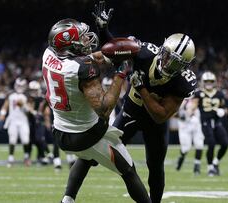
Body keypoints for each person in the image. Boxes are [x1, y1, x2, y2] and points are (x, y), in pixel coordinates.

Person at [66, 1, 198, 202]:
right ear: (162, 49)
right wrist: (103, 29)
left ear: (185, 66)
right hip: (130, 112)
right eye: (167, 56)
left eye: (175, 63)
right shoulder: (143, 52)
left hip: (155, 123)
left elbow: (160, 115)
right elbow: (112, 51)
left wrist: (142, 87)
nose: (167, 63)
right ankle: (68, 198)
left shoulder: (183, 81)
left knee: (155, 167)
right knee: (90, 151)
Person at [43, 18, 150, 202]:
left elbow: (87, 59)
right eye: (82, 39)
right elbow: (105, 109)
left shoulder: (49, 55)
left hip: (61, 130)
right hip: (87, 134)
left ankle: (67, 200)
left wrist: (113, 53)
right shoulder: (82, 68)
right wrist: (120, 73)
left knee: (86, 157)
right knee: (128, 170)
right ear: (69, 45)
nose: (87, 41)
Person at [193, 71, 228, 176]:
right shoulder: (199, 93)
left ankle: (215, 163)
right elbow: (193, 105)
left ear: (214, 82)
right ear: (203, 82)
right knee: (211, 144)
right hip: (205, 122)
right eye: (206, 81)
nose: (208, 83)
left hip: (217, 122)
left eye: (211, 81)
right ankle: (210, 168)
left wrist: (223, 112)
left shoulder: (219, 94)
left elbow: (225, 109)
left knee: (225, 144)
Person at [0, 78, 32, 167]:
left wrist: (23, 105)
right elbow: (5, 105)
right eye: (18, 85)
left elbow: (30, 110)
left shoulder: (27, 95)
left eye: (21, 86)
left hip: (23, 120)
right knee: (12, 140)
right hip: (13, 120)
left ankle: (26, 157)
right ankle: (10, 158)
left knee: (25, 140)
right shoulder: (11, 95)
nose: (19, 87)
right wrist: (2, 114)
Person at [175, 98, 204, 175]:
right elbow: (174, 113)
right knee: (185, 148)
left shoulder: (197, 95)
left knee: (199, 145)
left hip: (195, 123)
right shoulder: (180, 97)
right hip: (184, 125)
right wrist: (181, 115)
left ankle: (197, 167)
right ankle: (181, 158)